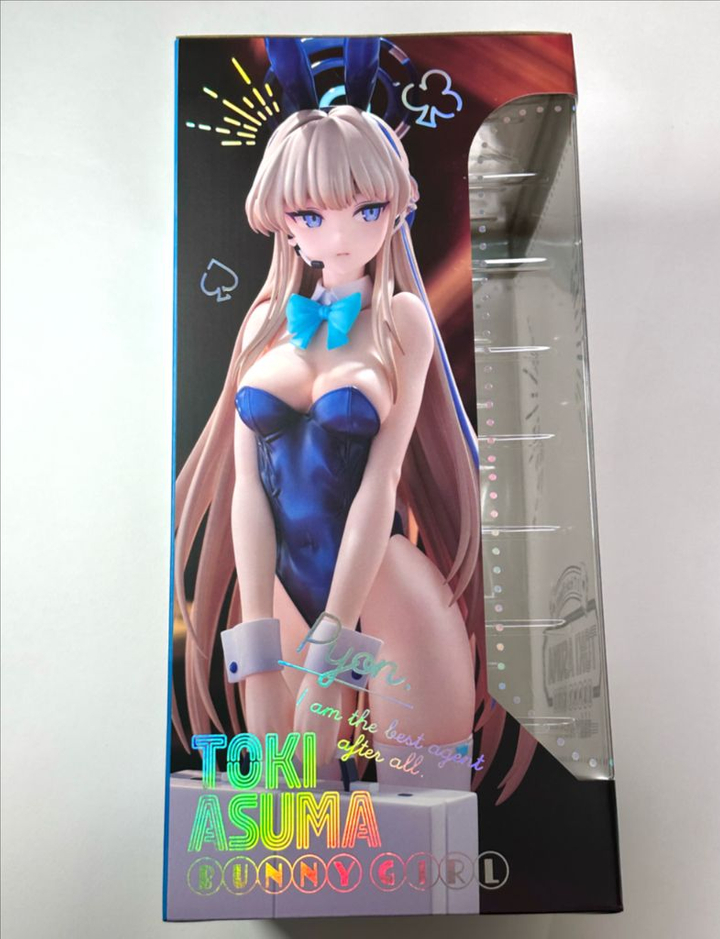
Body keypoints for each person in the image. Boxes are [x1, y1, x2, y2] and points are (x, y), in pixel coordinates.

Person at [173, 104, 534, 798]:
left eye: (365, 210)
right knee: (291, 817)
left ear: (394, 211)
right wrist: (256, 648)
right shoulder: (264, 321)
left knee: (421, 822)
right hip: (280, 592)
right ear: (283, 220)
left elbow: (381, 481)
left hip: (387, 589)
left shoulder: (401, 319)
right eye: (312, 215)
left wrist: (332, 647)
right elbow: (247, 488)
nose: (339, 236)